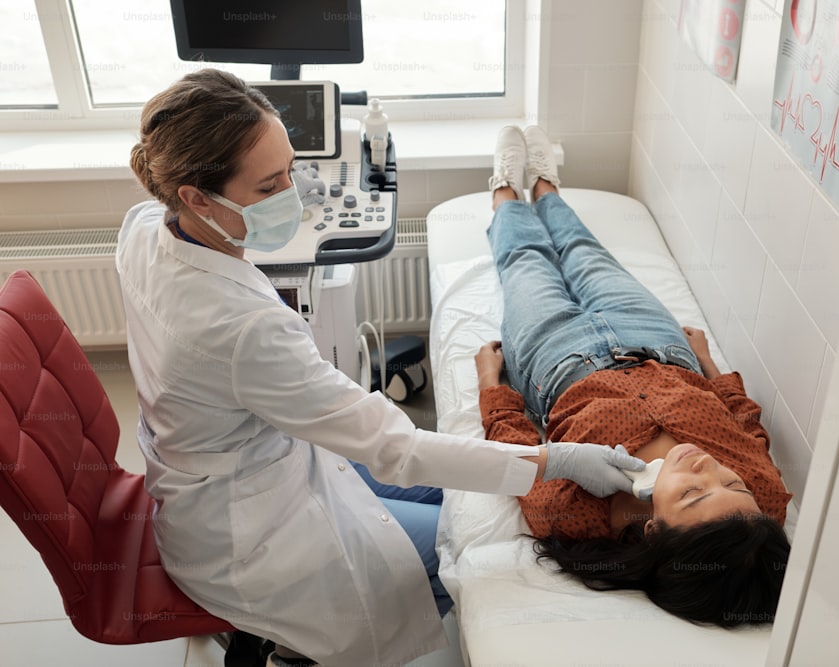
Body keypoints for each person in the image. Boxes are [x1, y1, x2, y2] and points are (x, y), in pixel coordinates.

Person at [116, 69, 647, 667]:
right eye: (270, 186)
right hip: (250, 537)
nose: (292, 193)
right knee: (463, 544)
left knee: (469, 503)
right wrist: (555, 459)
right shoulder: (239, 330)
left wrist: (275, 195)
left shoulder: (142, 228)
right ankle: (299, 649)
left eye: (292, 170)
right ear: (194, 195)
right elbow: (395, 447)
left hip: (246, 465)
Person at [474, 125, 794, 627]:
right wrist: (707, 362)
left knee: (524, 262)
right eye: (729, 479)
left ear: (653, 533)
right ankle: (543, 185)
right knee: (584, 251)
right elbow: (746, 424)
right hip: (659, 343)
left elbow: (514, 451)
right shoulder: (763, 503)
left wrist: (491, 384)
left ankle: (503, 190)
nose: (704, 465)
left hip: (556, 362)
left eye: (691, 493)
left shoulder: (576, 518)